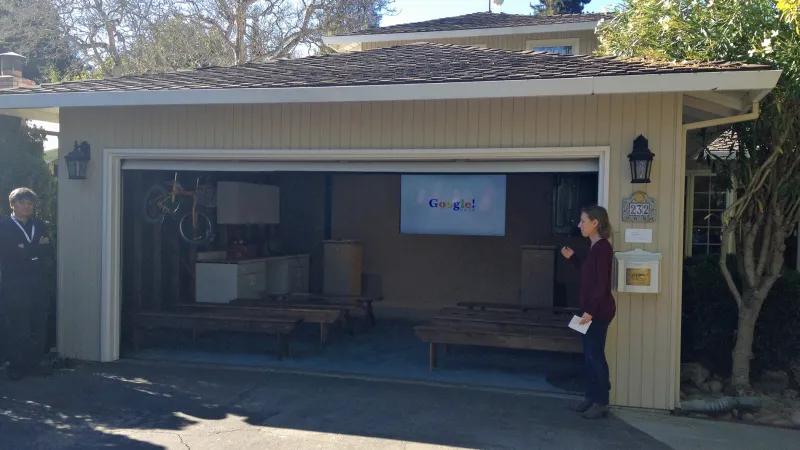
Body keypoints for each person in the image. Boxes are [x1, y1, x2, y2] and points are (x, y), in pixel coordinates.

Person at [560, 205, 616, 419]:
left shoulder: (603, 248)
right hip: (589, 311)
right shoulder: (595, 247)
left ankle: (601, 403)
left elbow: (601, 284)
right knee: (589, 356)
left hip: (597, 313)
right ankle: (591, 398)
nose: (579, 224)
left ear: (596, 223)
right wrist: (573, 258)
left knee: (595, 356)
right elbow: (588, 275)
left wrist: (590, 312)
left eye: (583, 221)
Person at [0, 187, 52, 380]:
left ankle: (35, 363)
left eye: (30, 203)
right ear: (12, 205)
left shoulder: (40, 225)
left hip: (38, 282)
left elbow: (47, 251)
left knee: (38, 323)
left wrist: (25, 250)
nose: (27, 206)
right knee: (17, 324)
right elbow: (8, 253)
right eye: (22, 202)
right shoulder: (3, 226)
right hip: (14, 283)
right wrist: (33, 251)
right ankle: (16, 365)